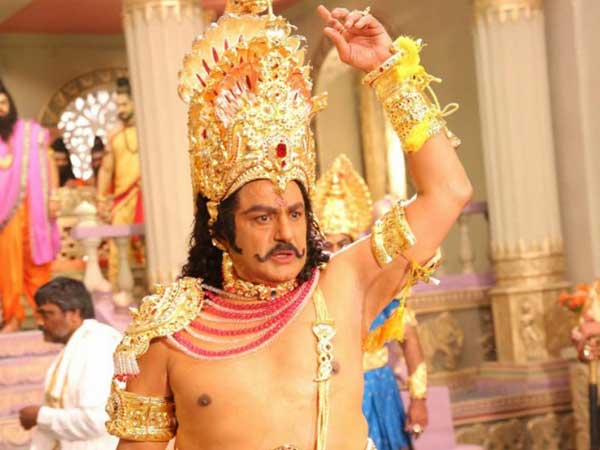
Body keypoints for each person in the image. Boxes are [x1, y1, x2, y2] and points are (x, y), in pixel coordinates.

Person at [106, 2, 472, 449]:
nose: (285, 234)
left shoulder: (344, 285)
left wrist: (389, 72)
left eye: (296, 213)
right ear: (219, 231)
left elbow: (448, 191)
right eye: (262, 217)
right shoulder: (171, 332)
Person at [314, 154, 428, 450]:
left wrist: (418, 399)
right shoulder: (310, 292)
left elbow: (410, 341)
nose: (336, 252)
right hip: (336, 399)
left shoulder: (379, 284)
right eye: (328, 245)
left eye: (343, 244)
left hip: (381, 391)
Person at [19, 277, 121, 450]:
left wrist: (40, 416)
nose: (40, 322)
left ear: (74, 314)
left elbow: (96, 420)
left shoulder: (97, 344)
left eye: (47, 314)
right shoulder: (79, 344)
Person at [0, 80, 61, 333]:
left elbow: (48, 162)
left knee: (37, 265)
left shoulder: (29, 132)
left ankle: (45, 316)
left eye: (3, 102)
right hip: (5, 216)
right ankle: (12, 317)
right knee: (8, 266)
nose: (0, 108)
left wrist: (53, 196)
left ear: (11, 104)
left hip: (33, 209)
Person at [97, 77, 143, 286]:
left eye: (124, 104)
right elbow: (106, 169)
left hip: (145, 198)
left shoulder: (149, 131)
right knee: (117, 251)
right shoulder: (114, 135)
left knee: (149, 247)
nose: (120, 110)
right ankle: (118, 295)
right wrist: (101, 199)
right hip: (122, 199)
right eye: (118, 105)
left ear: (135, 102)